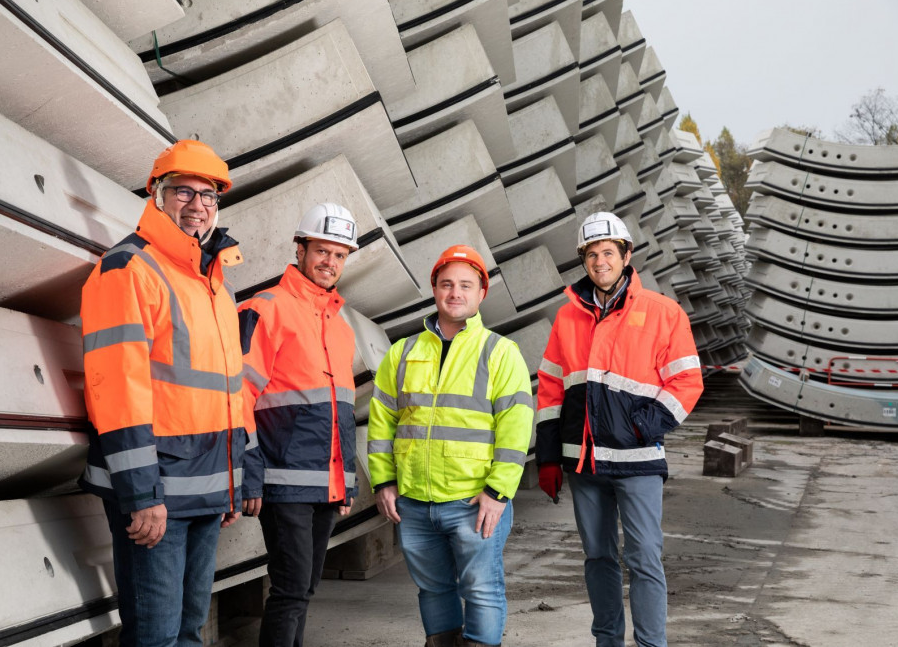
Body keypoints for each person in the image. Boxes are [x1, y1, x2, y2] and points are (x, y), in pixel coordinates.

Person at [79, 140, 246, 646]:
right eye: (184, 192)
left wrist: (233, 477)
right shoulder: (129, 269)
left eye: (209, 196)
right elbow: (117, 390)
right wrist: (142, 495)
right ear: (156, 194)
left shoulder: (212, 281)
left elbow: (228, 389)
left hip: (204, 485)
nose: (198, 206)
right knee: (155, 637)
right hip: (157, 492)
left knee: (189, 631)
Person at [535, 211, 703, 647]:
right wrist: (550, 457)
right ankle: (607, 641)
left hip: (638, 461)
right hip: (584, 466)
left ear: (627, 255)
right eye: (591, 254)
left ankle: (651, 644)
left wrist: (642, 427)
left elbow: (687, 380)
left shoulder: (663, 312)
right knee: (598, 558)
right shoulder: (567, 317)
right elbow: (551, 391)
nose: (599, 261)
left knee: (645, 557)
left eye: (608, 252)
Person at [368, 245, 533, 647]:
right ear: (434, 290)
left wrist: (498, 492)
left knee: (481, 588)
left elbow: (516, 429)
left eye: (465, 285)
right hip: (415, 501)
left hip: (474, 502)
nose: (455, 292)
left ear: (481, 294)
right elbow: (382, 421)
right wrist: (383, 481)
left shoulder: (500, 352)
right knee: (433, 589)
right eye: (447, 284)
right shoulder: (403, 352)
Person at [239, 202, 360, 647]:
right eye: (322, 251)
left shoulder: (340, 326)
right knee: (291, 589)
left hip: (325, 484)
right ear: (301, 248)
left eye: (340, 255)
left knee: (305, 589)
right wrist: (249, 475)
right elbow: (239, 399)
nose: (330, 262)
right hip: (283, 480)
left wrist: (345, 482)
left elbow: (340, 411)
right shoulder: (266, 308)